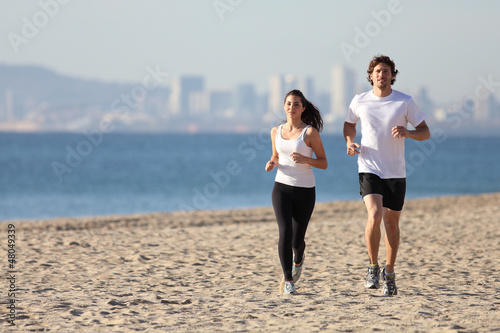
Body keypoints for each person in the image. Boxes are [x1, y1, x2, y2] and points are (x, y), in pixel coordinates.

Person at [343, 55, 430, 296]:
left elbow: (425, 132)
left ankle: (389, 272)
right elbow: (349, 124)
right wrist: (350, 142)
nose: (381, 75)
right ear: (370, 75)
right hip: (369, 166)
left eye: (386, 71)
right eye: (378, 71)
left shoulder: (404, 102)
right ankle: (373, 267)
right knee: (374, 214)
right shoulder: (360, 100)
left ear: (393, 75)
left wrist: (409, 133)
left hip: (395, 171)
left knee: (392, 223)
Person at [265, 89, 328, 295]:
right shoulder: (276, 131)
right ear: (284, 106)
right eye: (289, 104)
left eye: (296, 104)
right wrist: (272, 163)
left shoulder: (309, 133)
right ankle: (288, 280)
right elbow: (276, 155)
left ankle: (298, 259)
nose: (292, 107)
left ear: (303, 108)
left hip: (305, 190)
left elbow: (323, 163)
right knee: (284, 232)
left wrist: (305, 160)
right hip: (281, 188)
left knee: (297, 241)